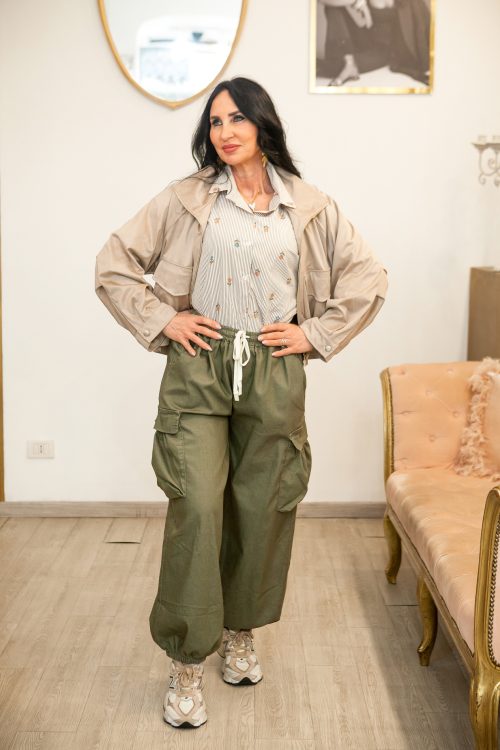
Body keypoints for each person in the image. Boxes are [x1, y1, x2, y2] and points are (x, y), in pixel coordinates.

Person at [95, 76, 388, 729]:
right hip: (200, 365)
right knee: (198, 508)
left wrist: (314, 334)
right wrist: (163, 319)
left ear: (263, 123)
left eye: (237, 119)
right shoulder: (186, 199)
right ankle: (186, 662)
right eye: (215, 121)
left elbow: (368, 278)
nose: (225, 131)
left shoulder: (307, 206)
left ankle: (240, 633)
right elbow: (114, 264)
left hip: (274, 369)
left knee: (262, 508)